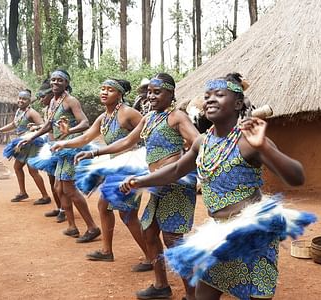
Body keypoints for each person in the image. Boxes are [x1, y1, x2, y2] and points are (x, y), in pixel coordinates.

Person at [120, 73, 305, 300]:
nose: (210, 100)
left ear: (238, 104)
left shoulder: (249, 142)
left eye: (219, 95)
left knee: (257, 295)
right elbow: (177, 170)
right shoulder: (202, 142)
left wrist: (265, 147)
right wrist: (141, 181)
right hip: (219, 232)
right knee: (204, 293)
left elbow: (296, 177)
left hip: (253, 232)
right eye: (207, 96)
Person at [75, 73, 200, 300]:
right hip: (156, 185)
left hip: (176, 186)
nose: (151, 96)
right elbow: (126, 141)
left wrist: (189, 164)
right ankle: (161, 286)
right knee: (149, 232)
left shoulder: (177, 117)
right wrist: (95, 151)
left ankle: (193, 295)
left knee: (172, 240)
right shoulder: (150, 118)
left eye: (157, 92)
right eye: (149, 92)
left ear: (170, 94)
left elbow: (198, 142)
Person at [51, 78, 152, 271]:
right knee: (103, 206)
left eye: (110, 90)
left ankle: (151, 257)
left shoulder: (128, 113)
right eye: (103, 89)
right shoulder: (104, 117)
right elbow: (86, 137)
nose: (104, 92)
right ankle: (107, 251)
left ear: (120, 94)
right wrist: (63, 141)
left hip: (129, 169)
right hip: (115, 168)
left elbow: (150, 132)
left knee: (127, 214)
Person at [18, 69, 100, 243]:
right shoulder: (53, 102)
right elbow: (48, 126)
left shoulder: (70, 101)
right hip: (58, 149)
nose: (55, 83)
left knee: (69, 189)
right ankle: (71, 226)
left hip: (69, 149)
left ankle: (92, 227)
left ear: (66, 83)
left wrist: (70, 131)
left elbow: (85, 123)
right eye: (53, 80)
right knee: (59, 188)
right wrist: (29, 138)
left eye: (59, 80)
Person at [0, 89, 51, 205]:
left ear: (29, 101)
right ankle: (23, 193)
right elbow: (14, 124)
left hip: (32, 144)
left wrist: (34, 127)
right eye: (20, 98)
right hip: (22, 144)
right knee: (17, 167)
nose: (21, 101)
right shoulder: (19, 111)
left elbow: (44, 125)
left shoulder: (32, 113)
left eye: (24, 99)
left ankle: (45, 196)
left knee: (33, 170)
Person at [30, 79, 66, 223]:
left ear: (51, 94)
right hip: (50, 146)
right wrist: (37, 129)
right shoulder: (49, 108)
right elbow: (48, 126)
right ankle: (58, 207)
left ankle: (64, 210)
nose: (40, 100)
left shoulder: (63, 106)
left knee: (61, 184)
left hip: (61, 148)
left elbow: (59, 128)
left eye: (42, 97)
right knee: (52, 180)